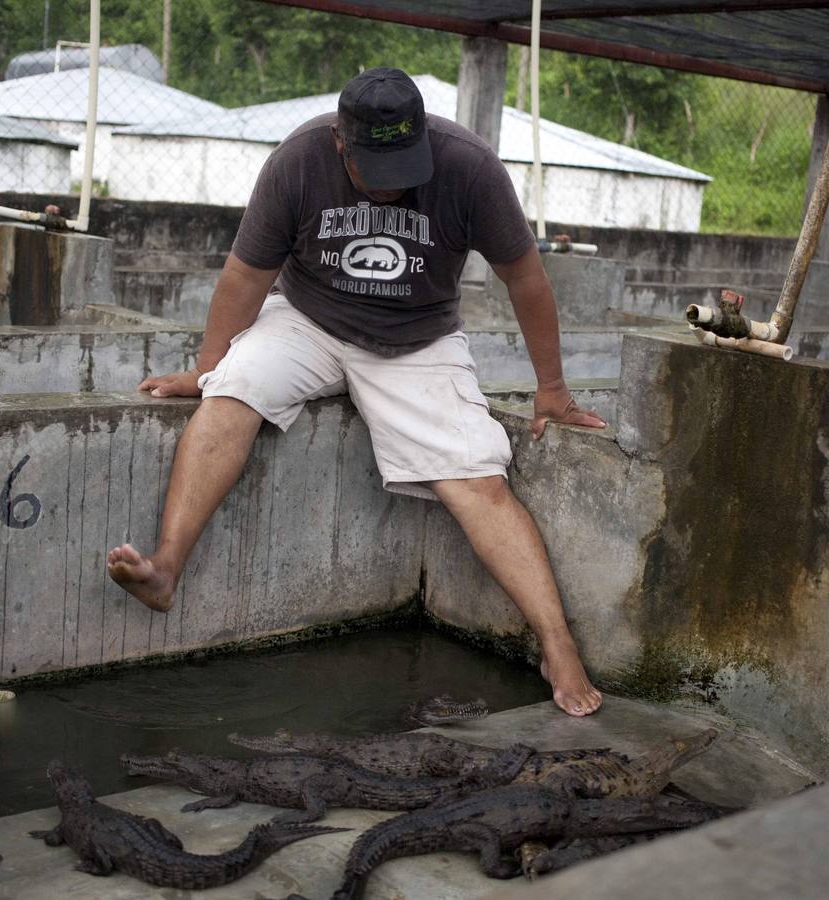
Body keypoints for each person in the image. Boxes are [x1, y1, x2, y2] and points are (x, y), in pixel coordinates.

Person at [107, 67, 605, 716]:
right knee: (232, 392)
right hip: (308, 320)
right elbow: (243, 277)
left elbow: (527, 279)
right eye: (378, 165)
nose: (396, 180)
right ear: (343, 144)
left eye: (407, 162)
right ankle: (166, 566)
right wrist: (207, 369)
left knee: (478, 475)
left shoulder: (471, 168)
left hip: (417, 338)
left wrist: (553, 389)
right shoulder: (299, 160)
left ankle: (557, 643)